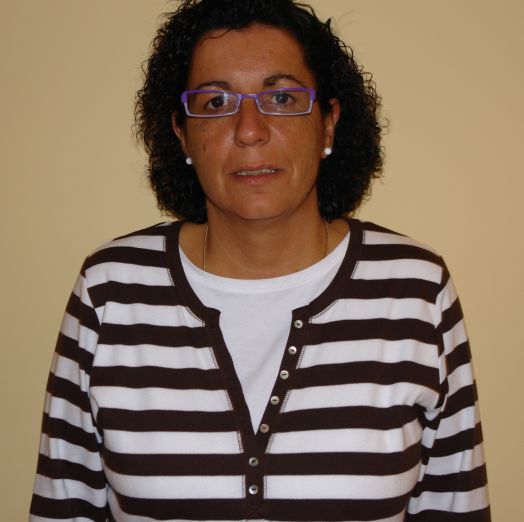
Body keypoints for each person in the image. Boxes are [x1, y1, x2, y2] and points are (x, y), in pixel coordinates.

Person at [30, 0, 490, 520]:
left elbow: (456, 506)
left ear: (329, 125)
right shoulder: (111, 290)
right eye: (215, 102)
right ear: (181, 132)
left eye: (282, 97)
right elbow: (63, 506)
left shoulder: (414, 289)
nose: (249, 129)